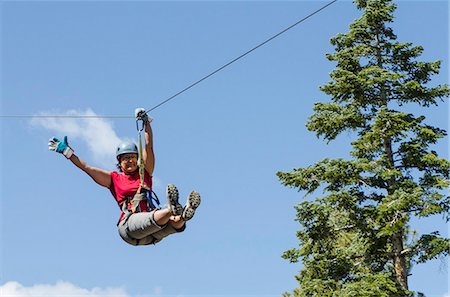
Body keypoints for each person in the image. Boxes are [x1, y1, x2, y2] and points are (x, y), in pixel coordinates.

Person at [48, 108, 201, 246]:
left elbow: (149, 146)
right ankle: (173, 209)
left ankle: (182, 213)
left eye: (132, 157)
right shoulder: (114, 179)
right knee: (160, 216)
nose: (129, 160)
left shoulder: (145, 173)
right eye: (124, 158)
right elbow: (87, 168)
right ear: (119, 163)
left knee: (176, 222)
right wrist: (68, 153)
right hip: (130, 227)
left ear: (137, 159)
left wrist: (146, 123)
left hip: (153, 233)